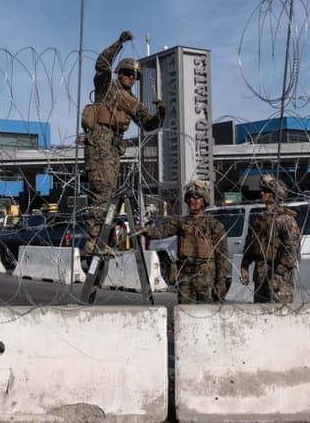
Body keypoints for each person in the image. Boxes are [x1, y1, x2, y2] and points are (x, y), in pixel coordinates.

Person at [81, 30, 165, 257]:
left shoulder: (132, 101)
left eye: (133, 76)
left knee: (108, 195)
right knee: (103, 191)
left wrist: (161, 114)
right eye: (127, 73)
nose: (130, 78)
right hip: (100, 143)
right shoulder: (107, 86)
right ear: (120, 73)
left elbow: (148, 124)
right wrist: (118, 44)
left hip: (114, 148)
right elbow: (101, 64)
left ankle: (100, 240)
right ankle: (93, 241)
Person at [139, 180, 229, 304]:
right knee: (184, 311)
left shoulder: (213, 225)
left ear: (204, 200)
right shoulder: (181, 223)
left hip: (206, 276)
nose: (192, 200)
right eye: (189, 197)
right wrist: (145, 231)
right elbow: (162, 231)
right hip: (186, 276)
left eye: (196, 197)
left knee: (206, 313)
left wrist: (221, 281)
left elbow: (222, 256)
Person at [240, 174, 301, 304]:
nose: (262, 193)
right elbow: (250, 246)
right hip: (260, 276)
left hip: (278, 280)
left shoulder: (286, 220)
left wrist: (277, 272)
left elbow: (293, 251)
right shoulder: (260, 219)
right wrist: (244, 266)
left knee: (280, 316)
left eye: (266, 191)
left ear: (275, 195)